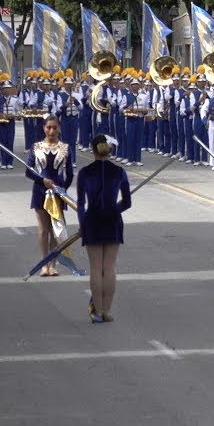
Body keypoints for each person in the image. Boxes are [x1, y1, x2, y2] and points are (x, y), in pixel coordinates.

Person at [77, 134, 131, 323]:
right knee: (109, 267)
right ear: (109, 151)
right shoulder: (119, 171)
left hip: (92, 220)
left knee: (95, 268)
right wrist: (113, 209)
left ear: (93, 150)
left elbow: (80, 203)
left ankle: (97, 311)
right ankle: (107, 310)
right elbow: (127, 202)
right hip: (113, 220)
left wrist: (82, 223)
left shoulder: (84, 172)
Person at [26, 116, 74, 278]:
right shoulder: (36, 147)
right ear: (44, 128)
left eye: (54, 128)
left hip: (58, 194)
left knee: (56, 230)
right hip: (40, 191)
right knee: (43, 230)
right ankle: (44, 264)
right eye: (48, 128)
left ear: (59, 128)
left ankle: (53, 264)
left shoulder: (66, 148)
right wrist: (42, 180)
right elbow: (28, 171)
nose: (51, 131)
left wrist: (63, 189)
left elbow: (70, 174)